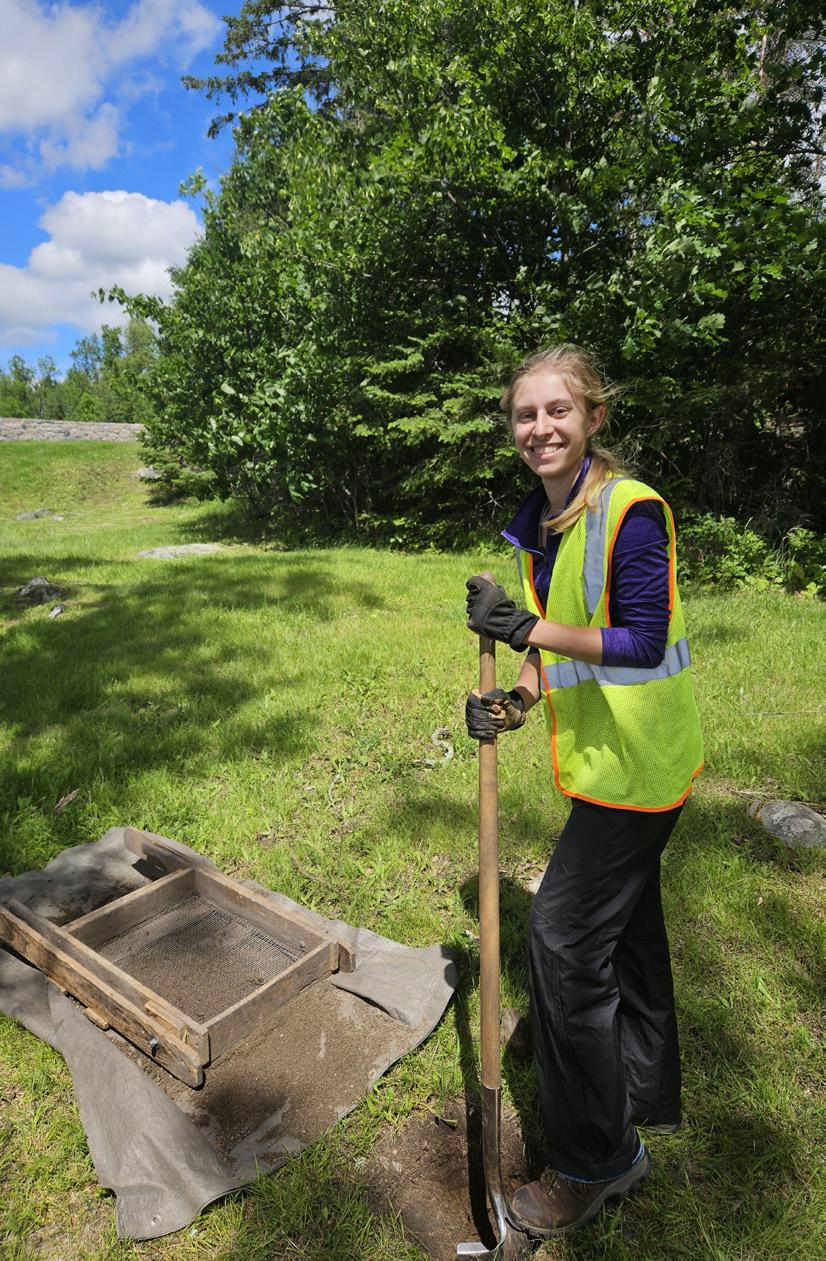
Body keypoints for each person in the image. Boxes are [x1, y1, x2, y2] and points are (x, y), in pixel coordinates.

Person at [464, 344, 703, 1238]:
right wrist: (517, 698)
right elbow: (561, 642)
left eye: (557, 410)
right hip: (611, 766)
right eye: (525, 414)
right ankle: (637, 1088)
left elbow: (639, 642)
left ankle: (599, 1159)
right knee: (625, 936)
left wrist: (526, 627)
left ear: (594, 417)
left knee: (561, 944)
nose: (540, 428)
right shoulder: (549, 521)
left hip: (639, 770)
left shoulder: (629, 512)